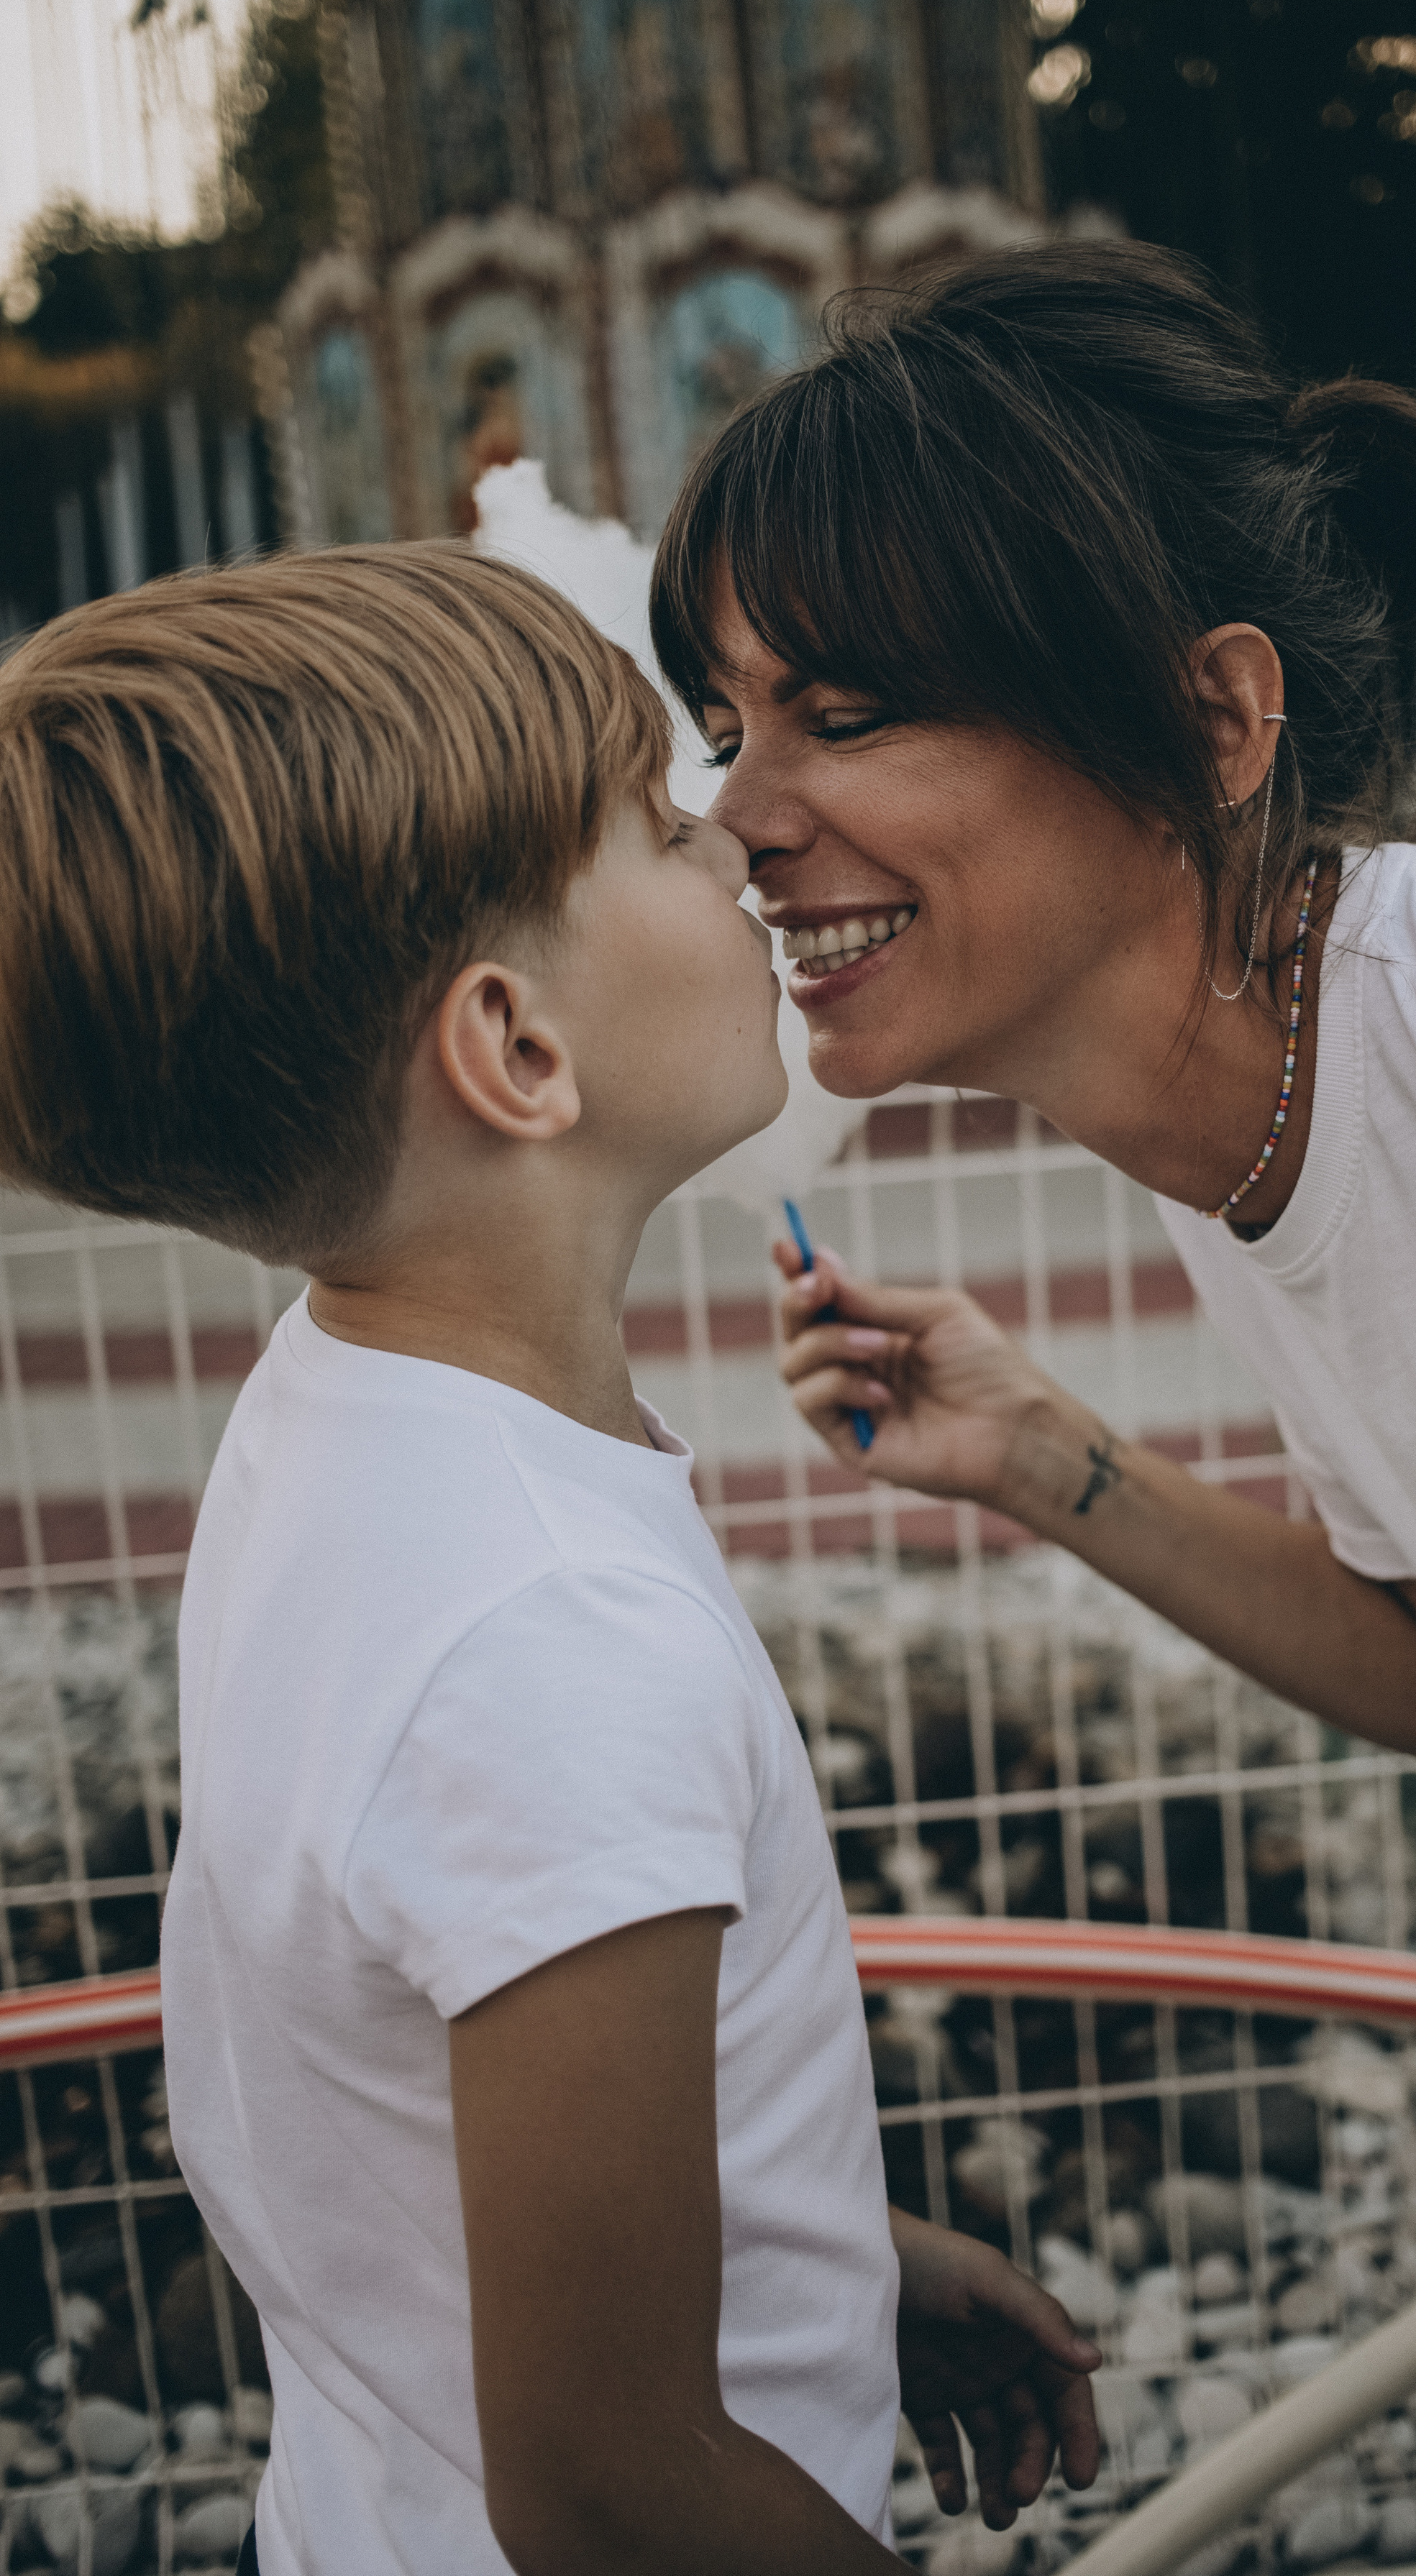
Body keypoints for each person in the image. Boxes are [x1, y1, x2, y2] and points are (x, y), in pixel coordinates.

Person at [0, 547, 1099, 2576]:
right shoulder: (552, 1649)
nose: (743, 843)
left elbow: (422, 2118)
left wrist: (828, 2254)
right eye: (661, 825)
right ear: (515, 1049)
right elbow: (606, 2489)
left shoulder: (331, 1412)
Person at [649, 242, 1416, 1865]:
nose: (735, 828)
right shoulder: (1238, 1128)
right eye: (725, 736)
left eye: (845, 714)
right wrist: (1036, 1453)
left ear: (1211, 720)